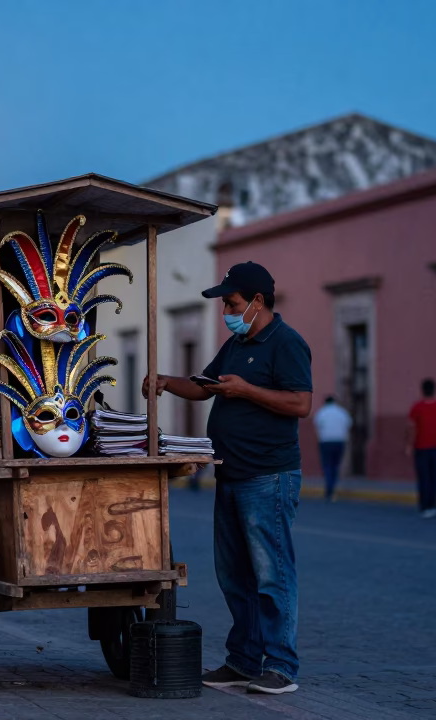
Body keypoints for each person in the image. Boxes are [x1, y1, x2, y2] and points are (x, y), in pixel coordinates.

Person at [144, 261, 312, 695]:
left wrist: (247, 391)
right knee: (234, 574)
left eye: (232, 303)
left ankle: (281, 665)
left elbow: (299, 404)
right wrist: (165, 382)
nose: (227, 311)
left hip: (268, 477)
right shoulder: (237, 342)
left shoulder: (287, 344)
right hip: (231, 474)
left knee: (272, 574)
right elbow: (205, 386)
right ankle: (242, 660)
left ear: (257, 301)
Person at [405, 378, 436, 519]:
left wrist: (409, 445)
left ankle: (424, 506)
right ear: (434, 390)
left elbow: (412, 428)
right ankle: (433, 505)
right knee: (435, 478)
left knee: (423, 477)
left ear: (422, 390)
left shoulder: (416, 407)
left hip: (421, 447)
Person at [313, 395, 352, 501]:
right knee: (335, 465)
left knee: (327, 465)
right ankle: (332, 488)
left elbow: (317, 426)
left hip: (325, 442)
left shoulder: (321, 412)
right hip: (339, 442)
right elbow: (348, 424)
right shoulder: (342, 412)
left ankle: (329, 489)